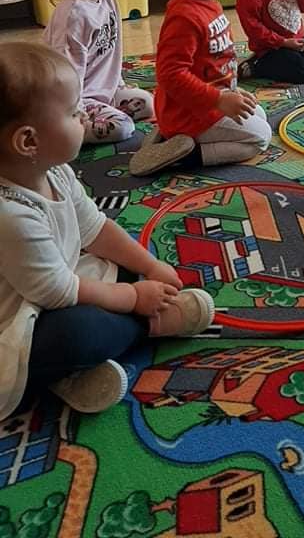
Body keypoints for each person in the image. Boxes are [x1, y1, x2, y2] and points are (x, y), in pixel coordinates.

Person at [0, 43, 215, 419]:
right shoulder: (10, 215)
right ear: (29, 141)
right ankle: (146, 327)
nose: (84, 114)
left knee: (126, 263)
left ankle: (73, 371)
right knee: (77, 334)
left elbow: (97, 229)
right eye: (72, 112)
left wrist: (148, 267)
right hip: (18, 322)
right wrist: (135, 300)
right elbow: (58, 292)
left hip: (55, 282)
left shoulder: (56, 172)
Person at [129, 0, 272, 177]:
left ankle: (170, 138)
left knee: (259, 114)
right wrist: (219, 99)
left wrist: (229, 92)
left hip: (207, 104)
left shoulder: (209, 4)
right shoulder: (184, 17)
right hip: (192, 113)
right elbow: (170, 75)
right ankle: (186, 155)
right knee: (260, 137)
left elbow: (212, 62)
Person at [42, 0, 154, 146]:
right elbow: (65, 76)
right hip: (73, 99)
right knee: (123, 128)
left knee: (147, 103)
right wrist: (76, 112)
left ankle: (102, 110)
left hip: (103, 90)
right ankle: (66, 133)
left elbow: (109, 51)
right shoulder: (73, 17)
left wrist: (119, 84)